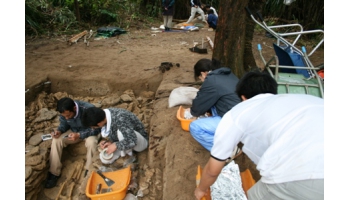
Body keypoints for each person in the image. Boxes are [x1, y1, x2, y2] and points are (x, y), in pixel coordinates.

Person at [194, 71, 324, 200]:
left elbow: (213, 169)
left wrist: (201, 189)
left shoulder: (239, 112)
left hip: (305, 175)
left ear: (243, 97)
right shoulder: (307, 99)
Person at [44, 97, 101, 188]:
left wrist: (79, 135)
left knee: (92, 142)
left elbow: (97, 128)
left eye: (68, 115)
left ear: (74, 108)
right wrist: (59, 131)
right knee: (56, 140)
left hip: (89, 132)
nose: (66, 117)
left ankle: (89, 170)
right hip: (74, 132)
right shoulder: (64, 112)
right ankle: (54, 172)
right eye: (64, 116)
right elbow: (64, 124)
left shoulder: (88, 109)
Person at [187, 58, 241, 152]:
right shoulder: (227, 74)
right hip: (241, 115)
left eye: (200, 78)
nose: (202, 81)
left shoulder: (212, 80)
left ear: (203, 73)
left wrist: (191, 112)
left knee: (195, 127)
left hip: (235, 122)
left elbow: (198, 107)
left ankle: (227, 151)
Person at [81, 107, 148, 164]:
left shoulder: (120, 118)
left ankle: (129, 156)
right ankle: (125, 153)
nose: (93, 128)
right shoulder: (103, 117)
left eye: (93, 127)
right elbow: (114, 133)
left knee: (120, 133)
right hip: (124, 142)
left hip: (139, 142)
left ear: (99, 123)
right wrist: (109, 142)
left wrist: (116, 145)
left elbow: (132, 140)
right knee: (104, 158)